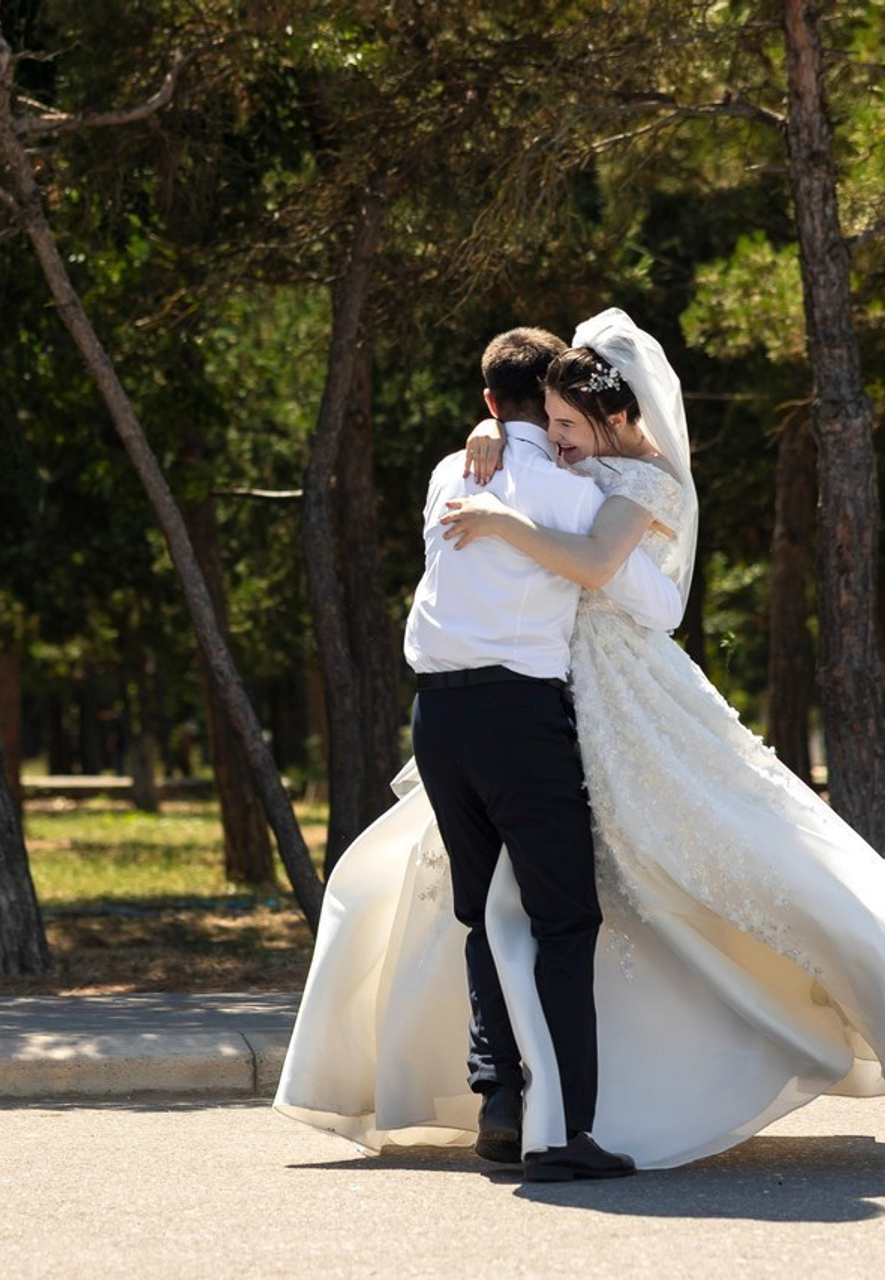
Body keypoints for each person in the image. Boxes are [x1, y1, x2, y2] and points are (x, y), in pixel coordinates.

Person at [275, 309, 885, 1172]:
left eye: (566, 425)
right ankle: (521, 1100)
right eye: (543, 422)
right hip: (537, 697)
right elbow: (540, 493)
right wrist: (498, 435)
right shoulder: (547, 471)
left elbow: (648, 602)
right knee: (510, 907)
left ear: (614, 418)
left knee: (661, 876)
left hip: (606, 690)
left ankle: (566, 1105)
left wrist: (506, 493)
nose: (554, 439)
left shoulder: (635, 486)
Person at [274, 325, 682, 1183]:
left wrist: (493, 446)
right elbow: (647, 599)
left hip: (438, 722)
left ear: (489, 404)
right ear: (557, 403)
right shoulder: (575, 491)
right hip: (520, 719)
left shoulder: (449, 472)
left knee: (481, 912)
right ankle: (563, 1134)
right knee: (562, 920)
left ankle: (498, 1099)